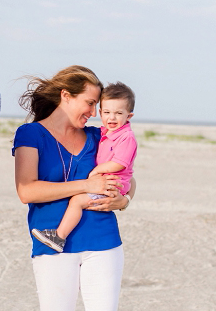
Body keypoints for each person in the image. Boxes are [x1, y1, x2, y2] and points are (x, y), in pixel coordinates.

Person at [12, 66, 135, 311]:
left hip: (103, 243)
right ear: (66, 97)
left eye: (98, 105)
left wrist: (124, 199)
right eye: (89, 103)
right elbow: (27, 191)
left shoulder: (101, 135)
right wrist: (87, 185)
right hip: (51, 247)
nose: (95, 111)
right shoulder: (30, 135)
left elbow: (129, 177)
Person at [31, 82, 137, 253]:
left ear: (129, 116)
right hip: (109, 183)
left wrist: (123, 199)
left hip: (112, 186)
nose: (112, 118)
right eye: (107, 112)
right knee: (79, 200)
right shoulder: (103, 134)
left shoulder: (125, 137)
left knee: (78, 201)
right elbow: (26, 192)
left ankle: (59, 236)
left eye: (118, 113)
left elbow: (122, 165)